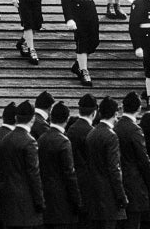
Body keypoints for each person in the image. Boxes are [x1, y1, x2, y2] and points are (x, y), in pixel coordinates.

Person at [86, 96, 129, 229]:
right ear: (115, 113)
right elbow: (114, 168)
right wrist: (121, 196)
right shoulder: (111, 136)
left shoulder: (91, 134)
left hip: (94, 194)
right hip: (109, 197)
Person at [1, 100, 45, 227]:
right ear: (32, 119)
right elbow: (34, 174)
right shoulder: (30, 141)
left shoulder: (6, 139)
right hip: (26, 202)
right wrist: (40, 201)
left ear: (16, 118)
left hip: (8, 200)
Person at [38, 101, 81, 229]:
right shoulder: (63, 141)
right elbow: (69, 174)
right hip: (63, 202)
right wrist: (77, 200)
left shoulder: (42, 138)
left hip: (46, 198)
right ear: (67, 119)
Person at [62, 0, 101, 87]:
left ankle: (78, 65)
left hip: (90, 9)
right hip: (77, 11)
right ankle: (84, 70)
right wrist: (69, 18)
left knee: (94, 41)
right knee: (82, 41)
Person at [115, 91, 150, 229]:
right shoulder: (135, 130)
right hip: (134, 185)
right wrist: (149, 183)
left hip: (117, 183)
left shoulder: (115, 127)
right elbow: (143, 159)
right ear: (139, 108)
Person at [64, 94, 97, 227]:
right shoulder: (92, 132)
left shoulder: (70, 130)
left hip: (71, 186)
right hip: (89, 189)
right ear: (94, 112)